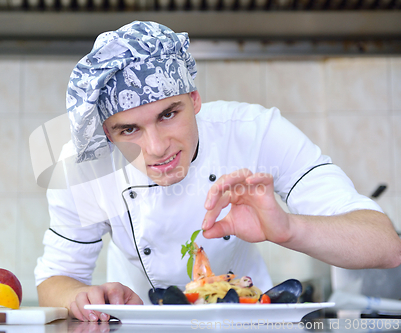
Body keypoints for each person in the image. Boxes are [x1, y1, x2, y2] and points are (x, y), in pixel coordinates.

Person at [34, 21, 401, 322]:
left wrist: (288, 229)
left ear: (194, 100)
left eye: (168, 114)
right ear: (106, 133)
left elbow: (385, 247)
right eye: (129, 130)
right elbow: (55, 279)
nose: (157, 147)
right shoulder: (85, 166)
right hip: (141, 325)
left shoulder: (254, 131)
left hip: (253, 323)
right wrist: (80, 295)